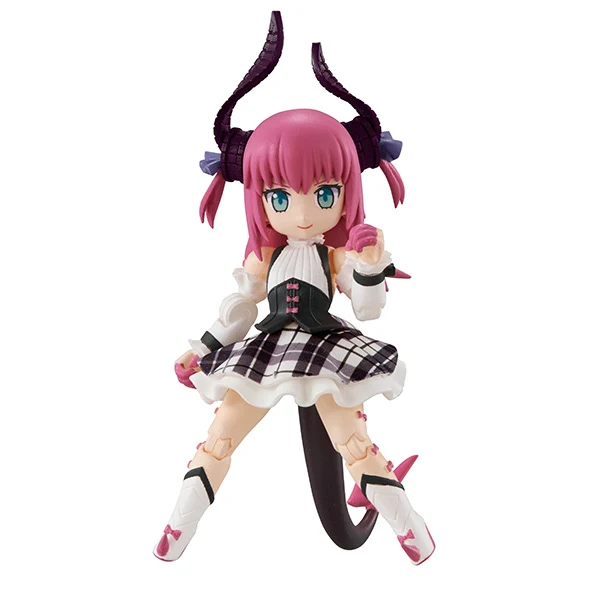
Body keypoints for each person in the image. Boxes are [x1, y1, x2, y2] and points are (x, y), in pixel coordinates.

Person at [153, 11, 435, 566]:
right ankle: (175, 529)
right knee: (220, 435)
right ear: (259, 197)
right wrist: (203, 348)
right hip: (268, 348)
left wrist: (369, 265)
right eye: (281, 198)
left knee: (353, 443)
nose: (303, 214)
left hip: (327, 347)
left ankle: (412, 530)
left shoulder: (334, 254)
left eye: (324, 194)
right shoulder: (264, 256)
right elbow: (239, 310)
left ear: (346, 189)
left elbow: (368, 307)